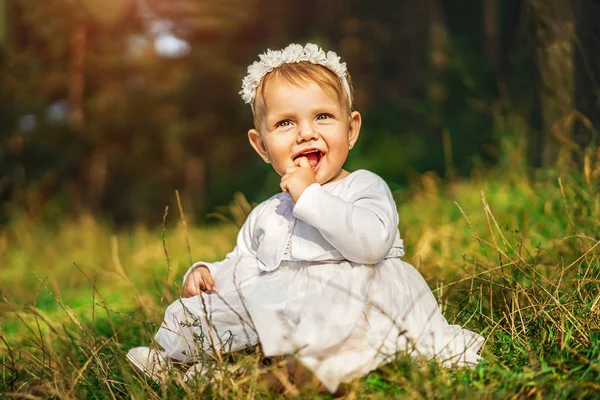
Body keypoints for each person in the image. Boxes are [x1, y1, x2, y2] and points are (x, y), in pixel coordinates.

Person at [127, 43, 484, 393]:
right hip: (290, 321)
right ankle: (199, 371)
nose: (306, 132)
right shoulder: (267, 212)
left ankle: (237, 382)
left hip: (356, 313)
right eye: (285, 123)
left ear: (351, 129)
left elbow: (372, 245)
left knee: (316, 362)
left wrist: (309, 195)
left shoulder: (364, 187)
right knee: (238, 332)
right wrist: (207, 273)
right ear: (262, 146)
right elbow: (241, 265)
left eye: (323, 116)